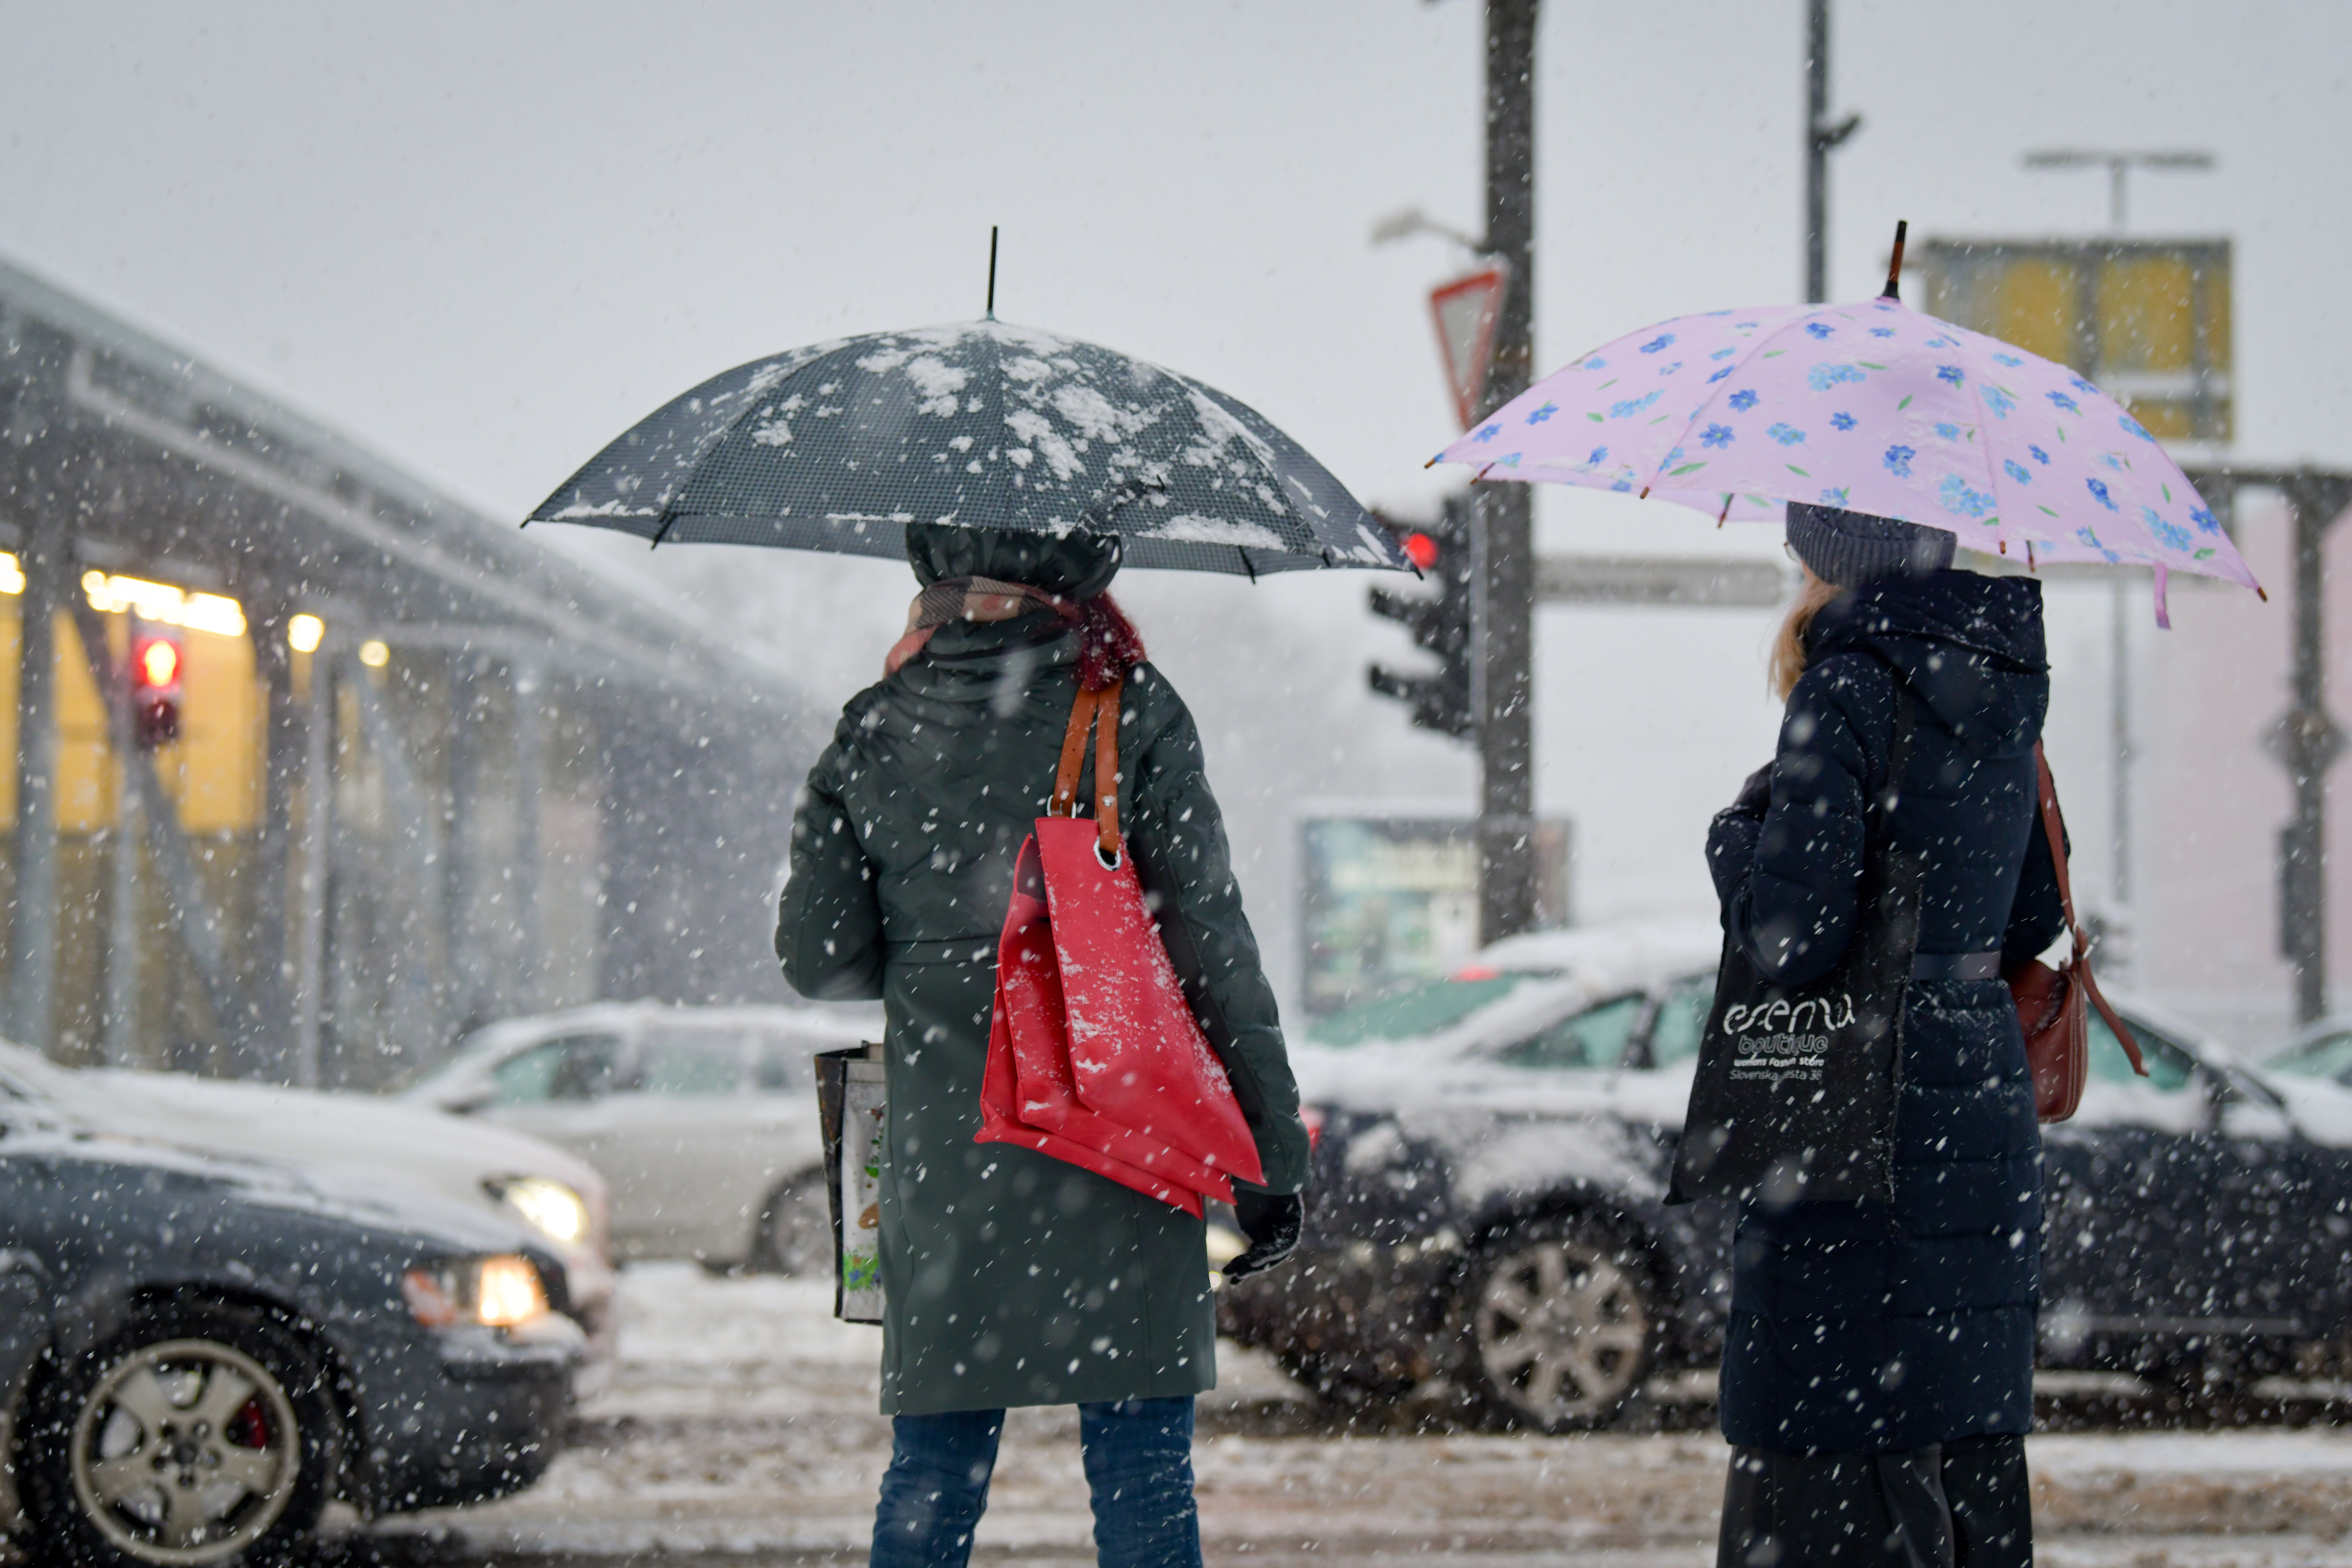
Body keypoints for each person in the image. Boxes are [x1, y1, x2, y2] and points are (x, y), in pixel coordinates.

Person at [776, 521, 1310, 1568]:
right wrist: (1269, 1155)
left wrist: (938, 943)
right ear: (1083, 559)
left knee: (932, 1470)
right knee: (1142, 1471)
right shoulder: (1129, 707)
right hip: (1122, 1141)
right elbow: (1209, 944)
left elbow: (818, 960)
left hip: (950, 1161)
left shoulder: (875, 726)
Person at [1706, 504, 2063, 1568]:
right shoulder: (2004, 688)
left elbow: (1793, 935)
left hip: (1858, 1106)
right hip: (1977, 1103)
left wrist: (1738, 837)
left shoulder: (1847, 688)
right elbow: (2031, 915)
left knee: (1831, 1456)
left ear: (1834, 554)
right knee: (1955, 1435)